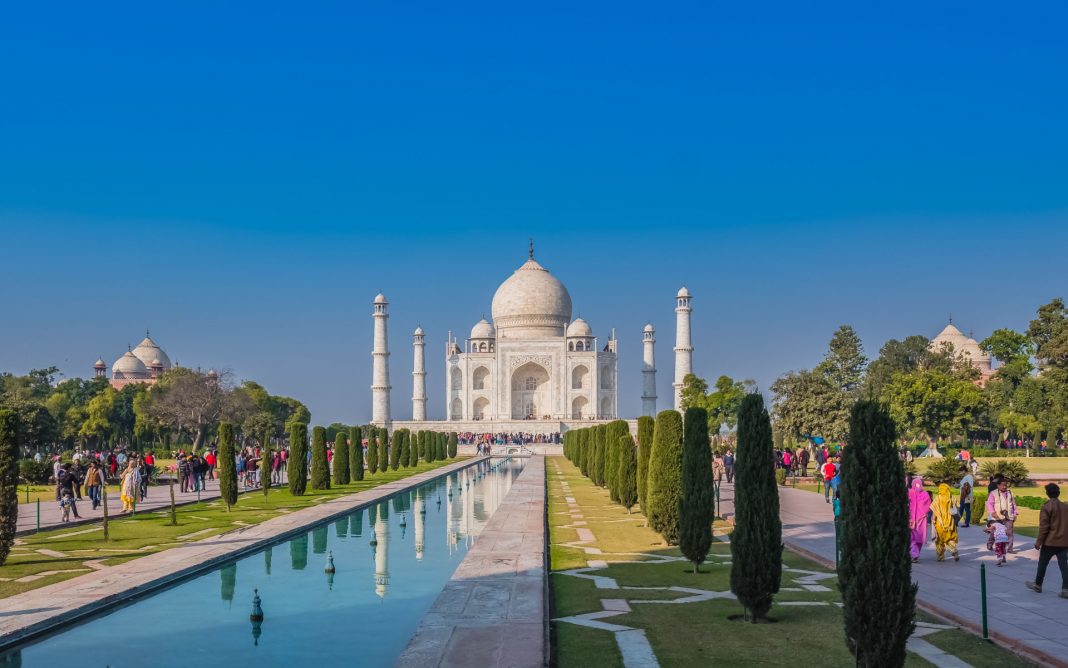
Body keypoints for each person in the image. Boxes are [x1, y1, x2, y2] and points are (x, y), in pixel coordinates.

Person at [1025, 483, 1068, 597]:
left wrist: (1038, 542)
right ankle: (1065, 589)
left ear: (1047, 494)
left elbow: (1044, 527)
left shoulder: (1046, 507)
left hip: (1050, 542)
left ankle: (1038, 585)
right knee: (1064, 566)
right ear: (1058, 493)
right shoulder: (1065, 507)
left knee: (1043, 564)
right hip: (1063, 542)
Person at [986, 478, 1018, 553]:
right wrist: (993, 512)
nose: (1004, 487)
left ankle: (1010, 548)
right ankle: (990, 544)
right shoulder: (993, 493)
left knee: (1009, 532)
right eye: (1003, 485)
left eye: (1005, 485)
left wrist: (1015, 513)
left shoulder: (1010, 492)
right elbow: (989, 504)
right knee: (995, 532)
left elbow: (1013, 504)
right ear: (998, 485)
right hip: (997, 517)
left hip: (1009, 516)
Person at [931, 484, 960, 562]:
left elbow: (935, 511)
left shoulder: (937, 498)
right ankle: (953, 550)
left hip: (940, 523)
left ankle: (940, 556)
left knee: (940, 540)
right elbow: (957, 507)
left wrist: (933, 520)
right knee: (951, 537)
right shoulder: (951, 497)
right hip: (950, 522)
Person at [908, 478, 932, 562]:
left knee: (916, 538)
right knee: (915, 538)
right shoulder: (924, 494)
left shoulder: (910, 492)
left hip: (914, 519)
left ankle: (915, 554)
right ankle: (914, 554)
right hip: (919, 520)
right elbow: (927, 506)